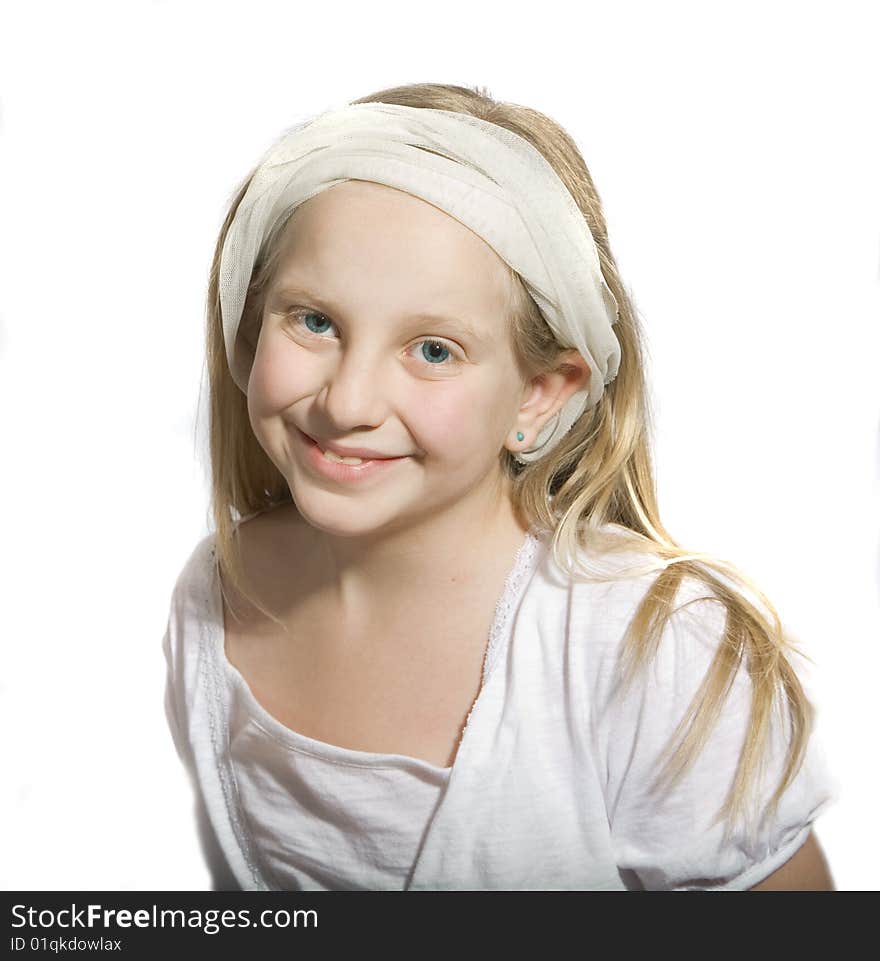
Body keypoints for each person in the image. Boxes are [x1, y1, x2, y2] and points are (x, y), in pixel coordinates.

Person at [162, 82, 838, 891]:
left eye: (435, 350)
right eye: (314, 321)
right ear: (249, 320)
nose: (347, 402)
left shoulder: (649, 649)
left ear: (539, 395)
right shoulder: (214, 596)